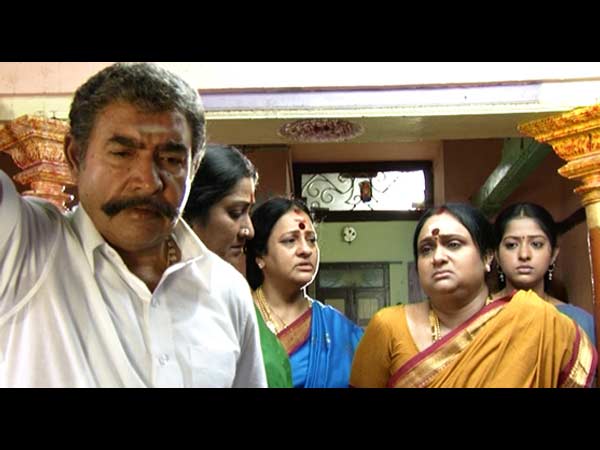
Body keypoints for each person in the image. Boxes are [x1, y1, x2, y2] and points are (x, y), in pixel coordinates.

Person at [0, 62, 267, 387]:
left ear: (193, 169)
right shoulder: (24, 250)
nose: (148, 182)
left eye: (171, 160)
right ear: (75, 156)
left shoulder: (227, 291)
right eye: (122, 153)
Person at [350, 203, 597, 387]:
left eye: (453, 244)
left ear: (488, 257)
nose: (438, 257)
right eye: (426, 249)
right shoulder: (388, 326)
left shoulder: (534, 321)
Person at [183, 144, 292, 387]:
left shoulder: (232, 290)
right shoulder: (146, 288)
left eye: (248, 212)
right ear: (191, 209)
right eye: (235, 212)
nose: (249, 230)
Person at [246, 196, 364, 388]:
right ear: (260, 256)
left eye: (311, 240)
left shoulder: (340, 330)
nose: (306, 250)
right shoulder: (240, 316)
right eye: (290, 240)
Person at [494, 202, 595, 343]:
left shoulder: (578, 322)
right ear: (496, 255)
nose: (524, 255)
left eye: (536, 244)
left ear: (553, 254)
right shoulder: (478, 319)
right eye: (511, 245)